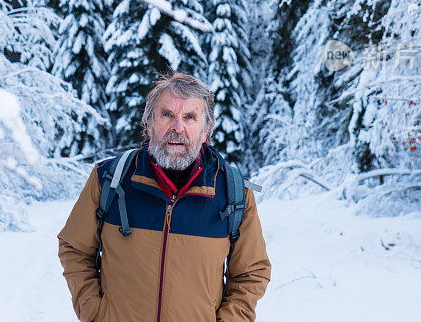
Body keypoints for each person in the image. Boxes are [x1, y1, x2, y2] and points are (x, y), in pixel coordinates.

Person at [57, 72, 271, 321]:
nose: (177, 128)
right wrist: (95, 312)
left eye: (190, 117)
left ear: (205, 130)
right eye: (167, 114)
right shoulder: (109, 179)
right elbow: (74, 247)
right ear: (149, 124)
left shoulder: (233, 193)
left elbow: (251, 273)